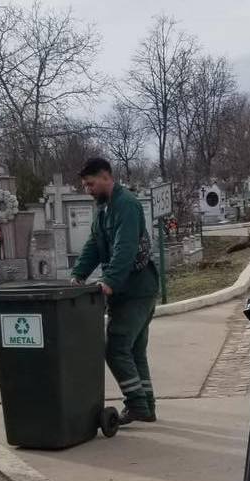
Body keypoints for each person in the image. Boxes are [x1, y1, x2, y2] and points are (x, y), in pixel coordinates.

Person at [71, 158, 159, 426]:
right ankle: (146, 406)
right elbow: (94, 245)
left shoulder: (126, 205)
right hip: (129, 291)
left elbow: (125, 248)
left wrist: (109, 281)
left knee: (117, 348)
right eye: (85, 185)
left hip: (136, 290)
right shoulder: (104, 209)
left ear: (106, 177)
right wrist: (78, 275)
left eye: (91, 184)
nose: (88, 189)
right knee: (133, 351)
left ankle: (136, 405)